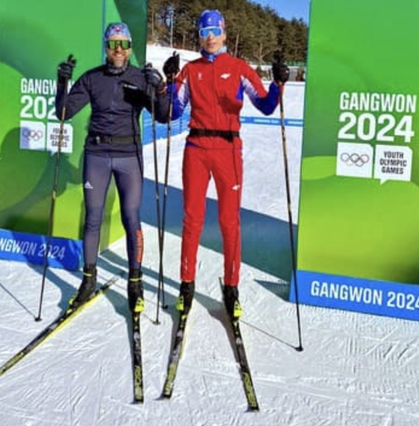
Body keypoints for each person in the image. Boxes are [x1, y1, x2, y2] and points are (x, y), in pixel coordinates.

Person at [162, 9, 290, 319]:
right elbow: (174, 111)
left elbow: (266, 106)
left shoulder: (239, 68)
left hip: (228, 152)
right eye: (203, 30)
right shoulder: (190, 71)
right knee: (192, 219)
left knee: (229, 221)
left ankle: (231, 287)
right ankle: (186, 284)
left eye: (213, 30)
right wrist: (169, 81)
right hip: (196, 148)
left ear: (224, 34)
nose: (208, 36)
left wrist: (278, 83)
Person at [55, 22, 170, 313]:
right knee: (93, 217)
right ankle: (88, 279)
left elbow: (164, 116)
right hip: (97, 154)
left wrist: (159, 88)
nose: (118, 50)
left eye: (124, 44)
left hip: (128, 154)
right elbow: (64, 112)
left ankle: (135, 282)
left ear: (130, 47)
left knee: (131, 218)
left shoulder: (139, 77)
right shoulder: (93, 78)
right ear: (106, 47)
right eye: (112, 44)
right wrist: (61, 83)